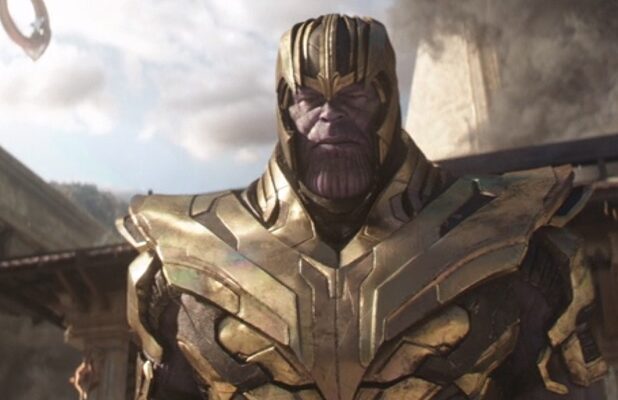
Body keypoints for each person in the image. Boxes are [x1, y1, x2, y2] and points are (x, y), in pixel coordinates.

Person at [118, 14, 608, 400]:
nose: (330, 117)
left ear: (387, 100)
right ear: (284, 105)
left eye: (354, 96)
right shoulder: (182, 257)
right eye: (310, 98)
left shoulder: (511, 238)